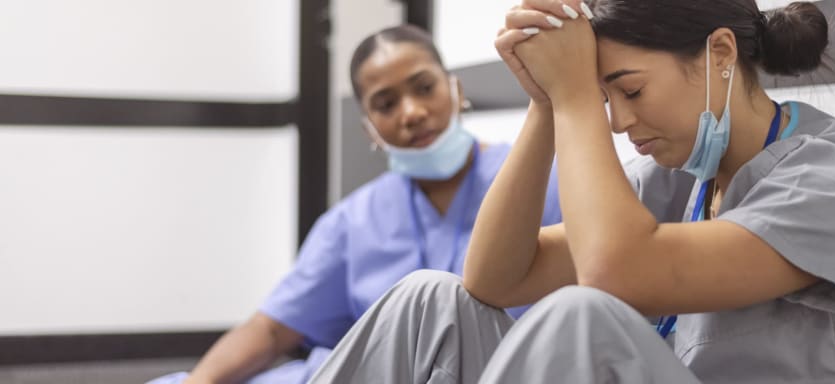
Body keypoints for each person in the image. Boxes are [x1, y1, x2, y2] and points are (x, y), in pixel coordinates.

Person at [304, 1, 835, 383]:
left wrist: (575, 94)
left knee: (581, 318)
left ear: (720, 53)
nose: (618, 122)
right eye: (604, 98)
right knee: (427, 304)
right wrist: (546, 103)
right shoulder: (675, 180)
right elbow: (493, 278)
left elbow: (610, 276)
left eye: (628, 91)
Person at [148, 24, 562, 384]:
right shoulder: (353, 221)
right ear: (370, 128)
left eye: (424, 88)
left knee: (430, 293)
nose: (412, 113)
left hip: (502, 372)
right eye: (386, 104)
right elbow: (273, 329)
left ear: (455, 89)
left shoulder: (542, 178)